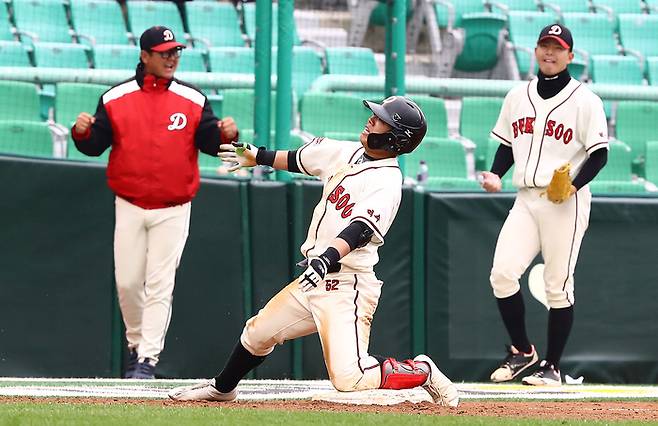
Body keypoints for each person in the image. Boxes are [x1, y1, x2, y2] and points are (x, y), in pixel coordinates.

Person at [168, 96, 459, 407]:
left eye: (382, 118)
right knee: (257, 332)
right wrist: (258, 156)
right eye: (376, 114)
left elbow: (360, 229)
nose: (371, 119)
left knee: (350, 379)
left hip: (347, 285)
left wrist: (326, 257)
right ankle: (223, 388)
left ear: (395, 138)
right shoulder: (348, 152)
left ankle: (422, 371)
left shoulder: (388, 180)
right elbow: (298, 159)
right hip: (314, 278)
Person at [71, 26, 239, 379]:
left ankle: (147, 360)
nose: (172, 58)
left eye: (175, 52)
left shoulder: (192, 99)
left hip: (174, 207)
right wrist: (82, 132)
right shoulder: (116, 97)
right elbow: (95, 144)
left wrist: (228, 135)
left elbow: (212, 144)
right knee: (129, 283)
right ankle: (136, 346)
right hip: (129, 203)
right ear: (145, 56)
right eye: (164, 52)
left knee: (160, 282)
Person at [480, 24, 608, 386]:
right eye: (544, 46)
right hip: (525, 198)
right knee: (502, 274)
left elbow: (599, 155)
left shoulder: (586, 101)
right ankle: (523, 353)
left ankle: (552, 367)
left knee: (557, 285)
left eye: (557, 47)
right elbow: (507, 144)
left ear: (570, 55)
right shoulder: (517, 96)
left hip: (564, 202)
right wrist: (495, 175)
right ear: (535, 51)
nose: (549, 53)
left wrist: (572, 187)